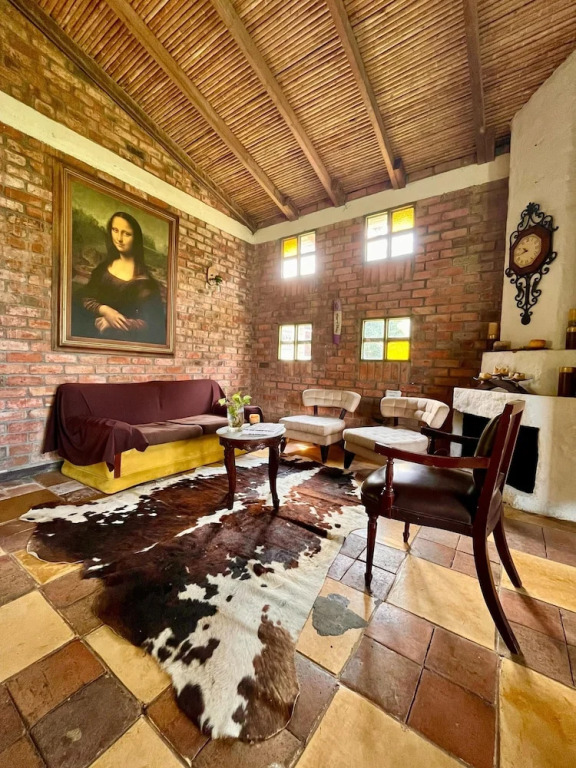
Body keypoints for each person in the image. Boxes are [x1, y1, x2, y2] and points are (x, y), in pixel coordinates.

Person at [77, 211, 166, 344]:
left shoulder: (145, 283)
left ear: (135, 238)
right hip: (90, 341)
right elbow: (85, 297)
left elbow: (153, 325)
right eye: (115, 230)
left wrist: (115, 322)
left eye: (126, 234)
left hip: (126, 343)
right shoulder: (103, 269)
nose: (119, 238)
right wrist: (105, 310)